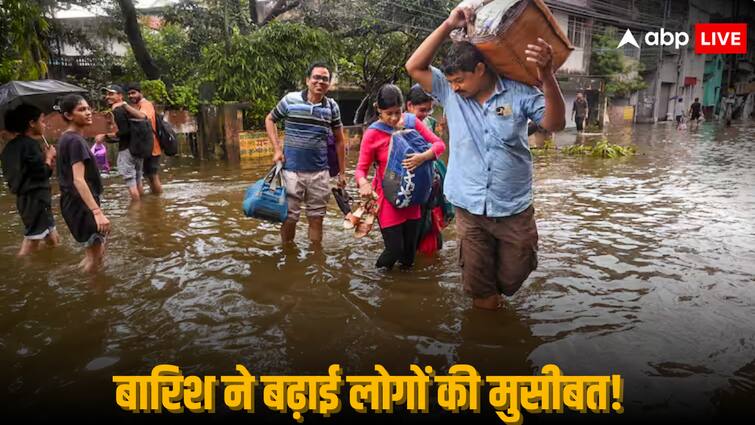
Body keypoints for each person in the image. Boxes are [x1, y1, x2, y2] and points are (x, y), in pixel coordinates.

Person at [406, 4, 566, 310]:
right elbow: (414, 66)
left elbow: (554, 124)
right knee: (481, 290)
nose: (454, 87)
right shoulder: (450, 93)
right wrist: (448, 24)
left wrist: (546, 76)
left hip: (513, 208)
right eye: (450, 82)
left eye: (460, 81)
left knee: (513, 277)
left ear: (481, 69)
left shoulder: (518, 93)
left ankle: (500, 297)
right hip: (469, 208)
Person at [355, 84, 446, 269]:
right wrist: (363, 183)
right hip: (388, 198)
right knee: (394, 250)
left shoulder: (412, 122)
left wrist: (423, 157)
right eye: (389, 113)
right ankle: (378, 281)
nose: (394, 118)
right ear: (378, 109)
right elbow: (360, 170)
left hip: (413, 196)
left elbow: (439, 145)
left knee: (409, 256)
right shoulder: (372, 134)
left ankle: (403, 292)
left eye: (398, 112)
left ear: (404, 107)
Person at [265, 62, 347, 245]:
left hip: (319, 173)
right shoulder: (290, 100)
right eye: (316, 77)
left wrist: (342, 172)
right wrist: (277, 149)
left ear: (329, 83)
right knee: (289, 218)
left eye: (325, 79)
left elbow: (340, 140)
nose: (320, 82)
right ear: (307, 80)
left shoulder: (332, 107)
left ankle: (316, 259)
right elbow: (270, 119)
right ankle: (287, 255)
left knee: (317, 218)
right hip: (291, 171)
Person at [56, 94, 110, 273]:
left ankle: (81, 281)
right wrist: (97, 212)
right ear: (69, 115)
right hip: (82, 205)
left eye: (88, 108)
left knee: (94, 253)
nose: (88, 112)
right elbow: (78, 180)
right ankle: (94, 294)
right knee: (94, 259)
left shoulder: (66, 138)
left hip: (73, 203)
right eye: (81, 109)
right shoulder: (75, 141)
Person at [0, 104, 60, 256]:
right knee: (32, 239)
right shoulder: (30, 145)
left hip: (25, 199)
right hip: (36, 199)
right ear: (31, 123)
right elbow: (41, 174)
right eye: (42, 121)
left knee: (51, 236)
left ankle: (52, 259)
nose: (44, 124)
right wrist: (49, 157)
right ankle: (23, 270)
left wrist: (47, 161)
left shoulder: (10, 148)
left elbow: (25, 173)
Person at [95, 84, 147, 201]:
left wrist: (105, 136)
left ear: (120, 96)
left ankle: (137, 212)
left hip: (127, 151)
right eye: (107, 94)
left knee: (130, 182)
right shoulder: (128, 109)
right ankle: (145, 208)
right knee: (138, 180)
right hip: (138, 149)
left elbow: (124, 132)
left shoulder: (118, 111)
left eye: (111, 94)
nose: (108, 97)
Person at [127, 83, 163, 194]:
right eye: (128, 94)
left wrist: (125, 106)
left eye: (133, 93)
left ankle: (159, 200)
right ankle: (154, 201)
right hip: (145, 146)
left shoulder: (146, 104)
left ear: (140, 93)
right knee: (147, 175)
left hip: (152, 146)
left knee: (152, 175)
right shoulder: (137, 106)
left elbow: (143, 116)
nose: (131, 96)